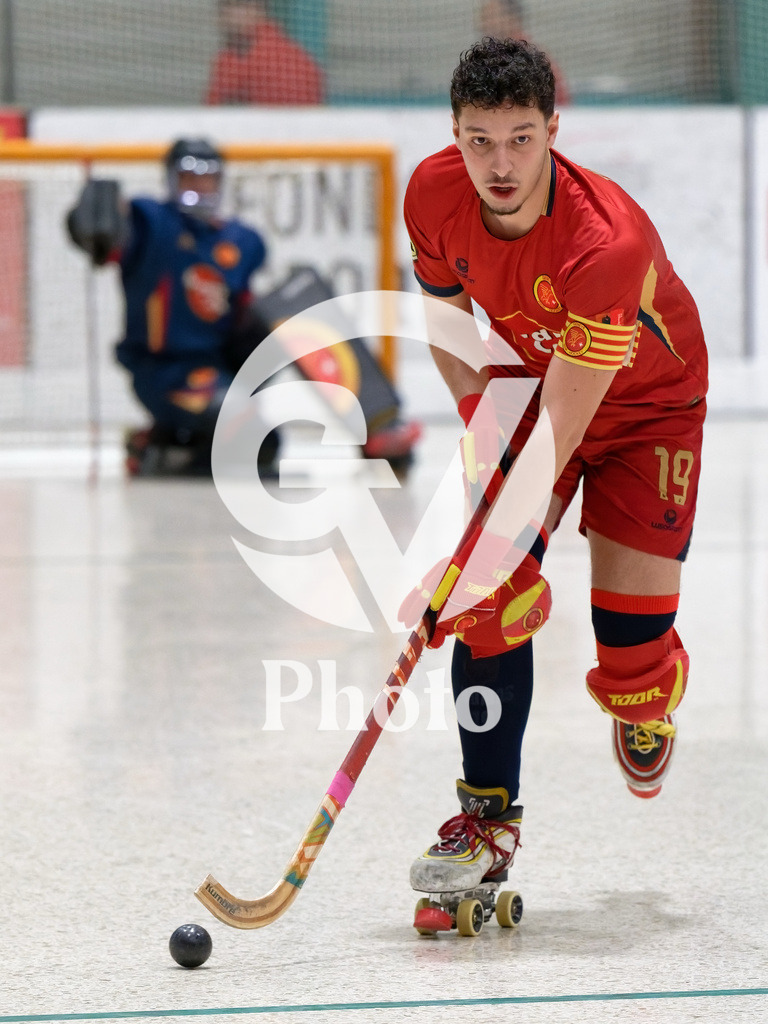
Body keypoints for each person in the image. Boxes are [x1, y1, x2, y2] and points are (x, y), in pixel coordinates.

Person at [400, 38, 707, 911]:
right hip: (528, 391)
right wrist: (481, 433)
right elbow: (448, 326)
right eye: (480, 141)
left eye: (521, 140)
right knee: (487, 599)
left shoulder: (605, 242)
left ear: (554, 132)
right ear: (454, 134)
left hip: (646, 412)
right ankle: (486, 822)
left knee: (632, 662)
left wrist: (483, 528)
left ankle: (645, 702)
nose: (499, 165)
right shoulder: (431, 194)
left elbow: (567, 429)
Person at [65, 138, 419, 477]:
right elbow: (112, 238)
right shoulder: (152, 224)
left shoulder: (241, 241)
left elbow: (244, 311)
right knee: (258, 442)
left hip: (225, 363)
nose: (199, 187)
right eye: (189, 178)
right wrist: (96, 217)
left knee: (300, 301)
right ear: (172, 180)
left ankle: (378, 422)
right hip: (166, 372)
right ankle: (161, 447)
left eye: (207, 178)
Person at [206, 0, 325, 106]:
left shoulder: (243, 57)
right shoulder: (294, 53)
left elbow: (213, 108)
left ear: (256, 9)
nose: (223, 17)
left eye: (229, 6)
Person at [477, 0, 571, 104]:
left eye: (490, 16)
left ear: (511, 18)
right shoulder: (501, 54)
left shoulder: (527, 56)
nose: (483, 23)